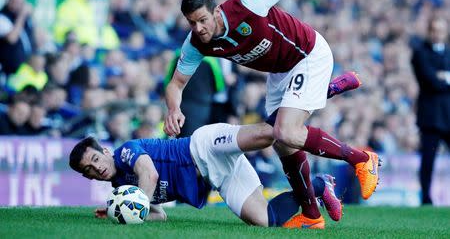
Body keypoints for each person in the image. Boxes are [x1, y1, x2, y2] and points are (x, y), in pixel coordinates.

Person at [164, 0, 380, 225]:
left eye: (202, 20)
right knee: (281, 142)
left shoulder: (246, 4)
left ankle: (361, 159)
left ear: (216, 12)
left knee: (286, 130)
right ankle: (312, 215)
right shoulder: (195, 43)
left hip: (307, 54)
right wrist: (172, 109)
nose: (199, 29)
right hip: (279, 72)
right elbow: (175, 84)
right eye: (192, 23)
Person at [69, 122, 342, 228]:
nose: (96, 168)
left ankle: (303, 110)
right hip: (219, 176)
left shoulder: (125, 152)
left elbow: (149, 175)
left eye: (95, 159)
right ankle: (321, 185)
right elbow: (159, 214)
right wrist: (122, 210)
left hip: (203, 146)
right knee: (265, 221)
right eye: (89, 171)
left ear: (105, 150)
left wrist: (132, 204)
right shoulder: (121, 188)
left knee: (271, 135)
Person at [411, 15, 450, 205]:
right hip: (431, 117)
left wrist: (442, 77)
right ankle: (426, 198)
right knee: (428, 160)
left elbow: (436, 80)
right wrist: (441, 78)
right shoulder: (420, 53)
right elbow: (430, 81)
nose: (438, 34)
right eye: (434, 30)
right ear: (429, 31)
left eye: (441, 30)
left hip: (448, 114)